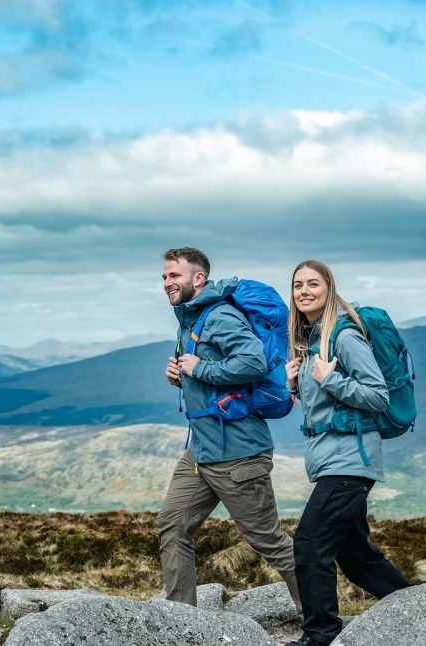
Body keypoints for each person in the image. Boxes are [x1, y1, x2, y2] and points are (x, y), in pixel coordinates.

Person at [157, 246, 302, 614]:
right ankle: (182, 619)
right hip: (202, 451)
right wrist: (180, 375)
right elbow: (210, 371)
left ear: (198, 278)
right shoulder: (190, 318)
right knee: (172, 526)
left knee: (269, 542)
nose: (167, 282)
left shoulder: (219, 315)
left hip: (239, 452)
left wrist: (197, 370)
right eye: (164, 276)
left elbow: (252, 361)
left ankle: (320, 618)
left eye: (175, 275)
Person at [283, 259, 413, 646]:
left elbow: (377, 395)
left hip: (351, 461)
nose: (304, 291)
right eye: (297, 285)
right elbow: (325, 406)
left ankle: (320, 636)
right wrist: (296, 385)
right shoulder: (312, 340)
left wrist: (331, 378)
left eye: (313, 284)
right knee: (355, 554)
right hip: (331, 460)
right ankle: (419, 605)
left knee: (309, 545)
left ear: (329, 289)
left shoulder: (343, 336)